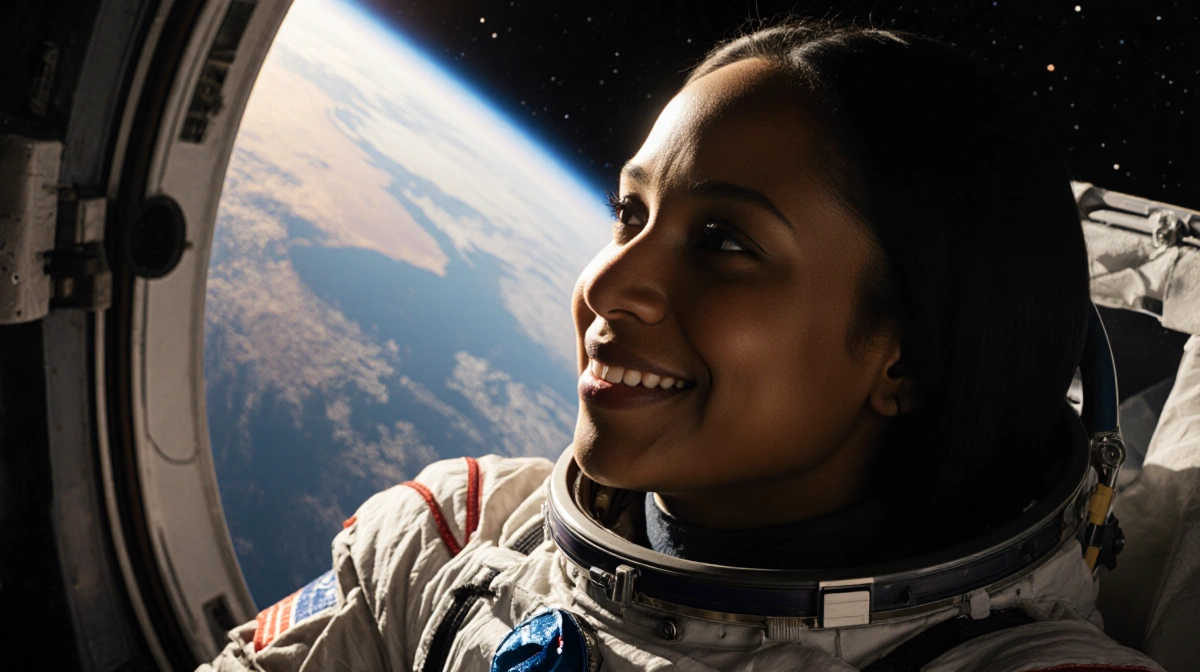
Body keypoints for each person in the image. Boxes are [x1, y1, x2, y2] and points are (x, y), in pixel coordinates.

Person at [201, 22, 1187, 672]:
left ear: (906, 357)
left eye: (724, 243)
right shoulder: (442, 547)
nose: (607, 282)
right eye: (630, 213)